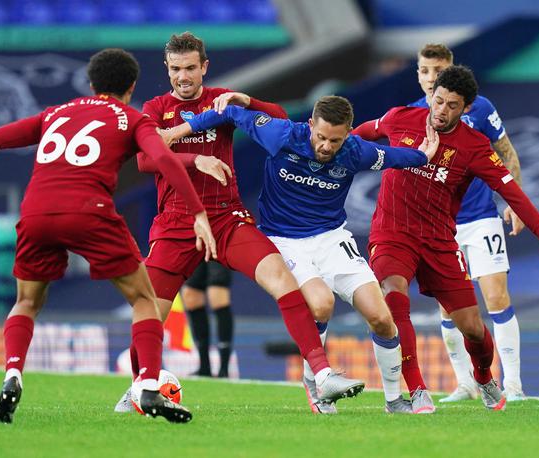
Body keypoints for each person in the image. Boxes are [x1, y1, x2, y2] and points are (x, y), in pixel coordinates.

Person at [0, 48, 217, 424]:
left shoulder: (56, 113)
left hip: (36, 211)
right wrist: (198, 212)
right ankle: (148, 387)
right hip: (89, 211)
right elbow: (163, 160)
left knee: (26, 302)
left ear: (90, 83)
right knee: (144, 299)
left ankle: (12, 375)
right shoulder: (133, 119)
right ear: (131, 87)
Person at [115, 32, 365, 413]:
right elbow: (146, 161)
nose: (183, 76)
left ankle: (321, 376)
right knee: (149, 310)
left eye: (190, 68)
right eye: (176, 69)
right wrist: (194, 160)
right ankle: (140, 386)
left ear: (204, 67)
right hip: (176, 222)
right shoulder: (155, 108)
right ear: (167, 69)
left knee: (282, 277)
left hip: (226, 218)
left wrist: (245, 99)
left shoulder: (221, 102)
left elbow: (279, 119)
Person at [161, 95, 439, 414]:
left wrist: (422, 155)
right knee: (322, 303)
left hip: (332, 238)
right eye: (320, 137)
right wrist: (176, 132)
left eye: (334, 140)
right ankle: (317, 385)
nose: (325, 146)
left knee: (380, 316)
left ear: (348, 134)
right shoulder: (281, 134)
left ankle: (394, 400)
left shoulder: (356, 152)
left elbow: (394, 156)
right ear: (310, 126)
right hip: (284, 239)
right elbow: (232, 113)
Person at [352, 65, 539, 413]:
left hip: (439, 240)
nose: (441, 111)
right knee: (393, 294)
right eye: (438, 101)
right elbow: (358, 134)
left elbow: (513, 194)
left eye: (451, 105)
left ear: (466, 108)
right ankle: (418, 390)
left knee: (472, 328)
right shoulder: (400, 118)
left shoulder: (474, 147)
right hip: (392, 233)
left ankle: (484, 377)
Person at [411, 44, 526, 403]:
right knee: (449, 308)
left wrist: (515, 200)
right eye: (426, 70)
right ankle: (465, 384)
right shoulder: (411, 115)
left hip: (480, 218)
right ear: (418, 74)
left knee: (496, 297)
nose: (433, 78)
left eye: (439, 70)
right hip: (439, 226)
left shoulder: (480, 108)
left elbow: (506, 151)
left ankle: (514, 387)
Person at [181, 261, 234, 378]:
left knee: (217, 294)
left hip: (216, 244)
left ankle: (224, 369)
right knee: (190, 295)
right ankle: (204, 367)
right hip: (194, 244)